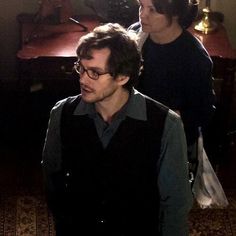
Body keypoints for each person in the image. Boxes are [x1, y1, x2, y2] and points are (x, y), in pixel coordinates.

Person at [42, 23, 193, 236]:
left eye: (95, 72)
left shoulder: (166, 125)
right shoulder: (62, 114)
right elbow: (52, 179)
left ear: (122, 77)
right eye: (81, 68)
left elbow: (175, 204)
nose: (83, 79)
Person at [128, 0, 216, 178]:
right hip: (135, 128)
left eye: (152, 10)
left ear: (174, 13)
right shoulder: (136, 35)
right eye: (141, 6)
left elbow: (203, 111)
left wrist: (176, 119)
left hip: (171, 138)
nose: (143, 14)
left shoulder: (194, 57)